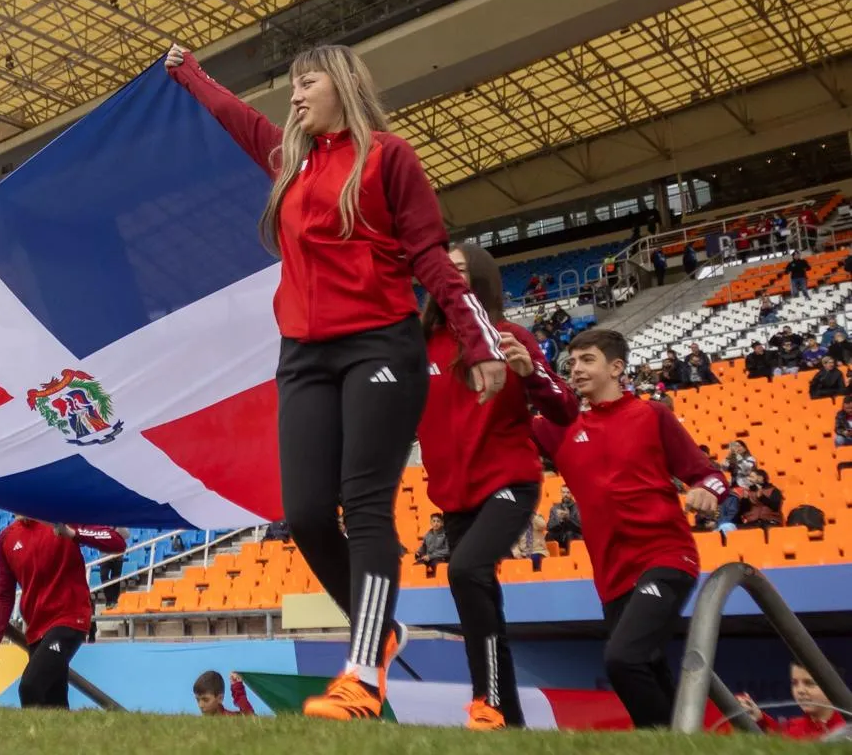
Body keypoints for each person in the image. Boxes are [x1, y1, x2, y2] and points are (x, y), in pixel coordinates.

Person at [164, 41, 506, 720]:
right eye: (291, 84)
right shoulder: (290, 162)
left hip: (379, 344)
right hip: (303, 356)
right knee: (308, 513)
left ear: (342, 83)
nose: (294, 95)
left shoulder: (389, 157)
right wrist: (188, 74)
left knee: (366, 504)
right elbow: (237, 119)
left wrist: (477, 340)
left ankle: (361, 673)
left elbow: (433, 259)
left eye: (306, 81)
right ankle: (377, 628)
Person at [510, 329, 726, 729]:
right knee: (648, 665)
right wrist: (526, 374)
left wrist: (705, 491)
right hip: (611, 574)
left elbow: (709, 474)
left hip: (666, 556)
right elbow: (505, 425)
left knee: (623, 659)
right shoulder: (558, 429)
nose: (576, 369)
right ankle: (684, 740)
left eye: (587, 360)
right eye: (571, 362)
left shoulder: (652, 415)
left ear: (616, 367)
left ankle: (663, 745)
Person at [417, 243, 580, 730]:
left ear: (482, 281)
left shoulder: (510, 337)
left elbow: (566, 411)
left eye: (461, 272)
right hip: (453, 494)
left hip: (510, 480)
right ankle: (503, 718)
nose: (450, 280)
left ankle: (486, 705)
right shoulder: (418, 345)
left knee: (465, 571)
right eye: (443, 272)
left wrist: (532, 376)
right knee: (478, 602)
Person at [0, 518, 126, 708]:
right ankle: (64, 738)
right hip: (36, 628)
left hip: (69, 618)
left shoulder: (61, 518)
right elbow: (4, 595)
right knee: (54, 702)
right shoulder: (6, 538)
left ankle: (32, 737)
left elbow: (116, 541)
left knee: (30, 687)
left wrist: (74, 533)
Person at [737, 662, 846, 739]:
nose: (800, 690)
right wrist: (759, 718)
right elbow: (775, 739)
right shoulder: (791, 727)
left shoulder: (847, 728)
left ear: (833, 686)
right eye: (795, 683)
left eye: (809, 683)